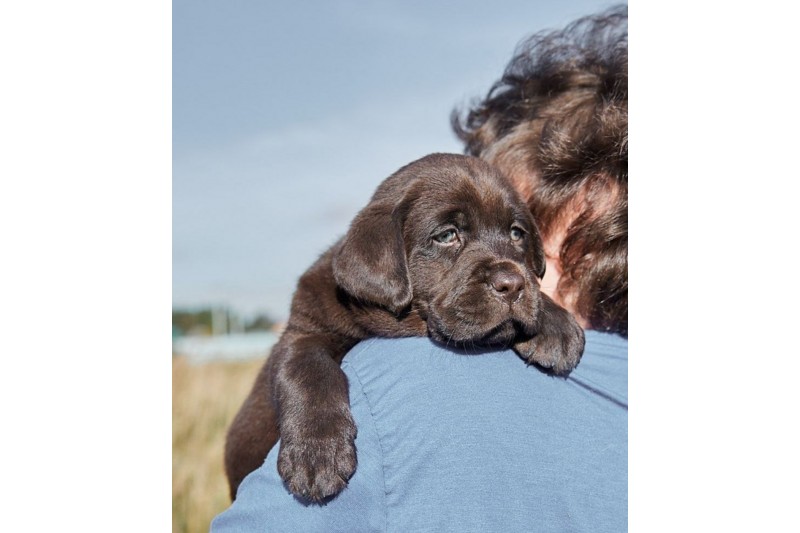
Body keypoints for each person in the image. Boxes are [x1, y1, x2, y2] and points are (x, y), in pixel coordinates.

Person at [212, 5, 627, 532]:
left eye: (518, 235)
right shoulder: (336, 302)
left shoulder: (396, 389)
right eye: (450, 236)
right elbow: (305, 348)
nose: (507, 270)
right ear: (387, 259)